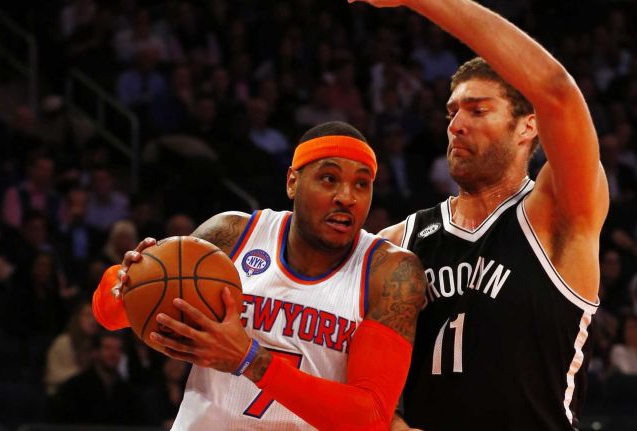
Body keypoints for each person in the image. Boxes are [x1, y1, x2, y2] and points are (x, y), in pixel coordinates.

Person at [357, 0, 609, 429]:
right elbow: (360, 375)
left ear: (528, 126)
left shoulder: (558, 215)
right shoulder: (400, 240)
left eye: (477, 110)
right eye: (452, 112)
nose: (456, 124)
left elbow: (557, 91)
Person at [92, 121, 427, 430]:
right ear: (292, 181)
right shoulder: (232, 234)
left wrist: (249, 359)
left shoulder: (389, 273)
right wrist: (125, 280)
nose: (346, 197)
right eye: (329, 178)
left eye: (362, 184)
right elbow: (109, 316)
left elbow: (368, 419)